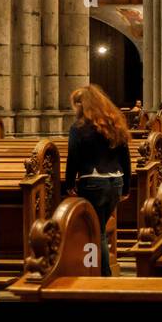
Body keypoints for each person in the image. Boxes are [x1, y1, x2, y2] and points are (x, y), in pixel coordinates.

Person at [64, 85, 132, 277]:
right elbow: (125, 157)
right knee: (98, 229)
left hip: (93, 182)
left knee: (96, 231)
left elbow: (73, 157)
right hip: (115, 182)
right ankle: (95, 270)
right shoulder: (114, 123)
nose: (74, 109)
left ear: (82, 104)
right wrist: (127, 186)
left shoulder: (79, 127)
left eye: (76, 104)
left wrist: (69, 184)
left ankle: (100, 274)